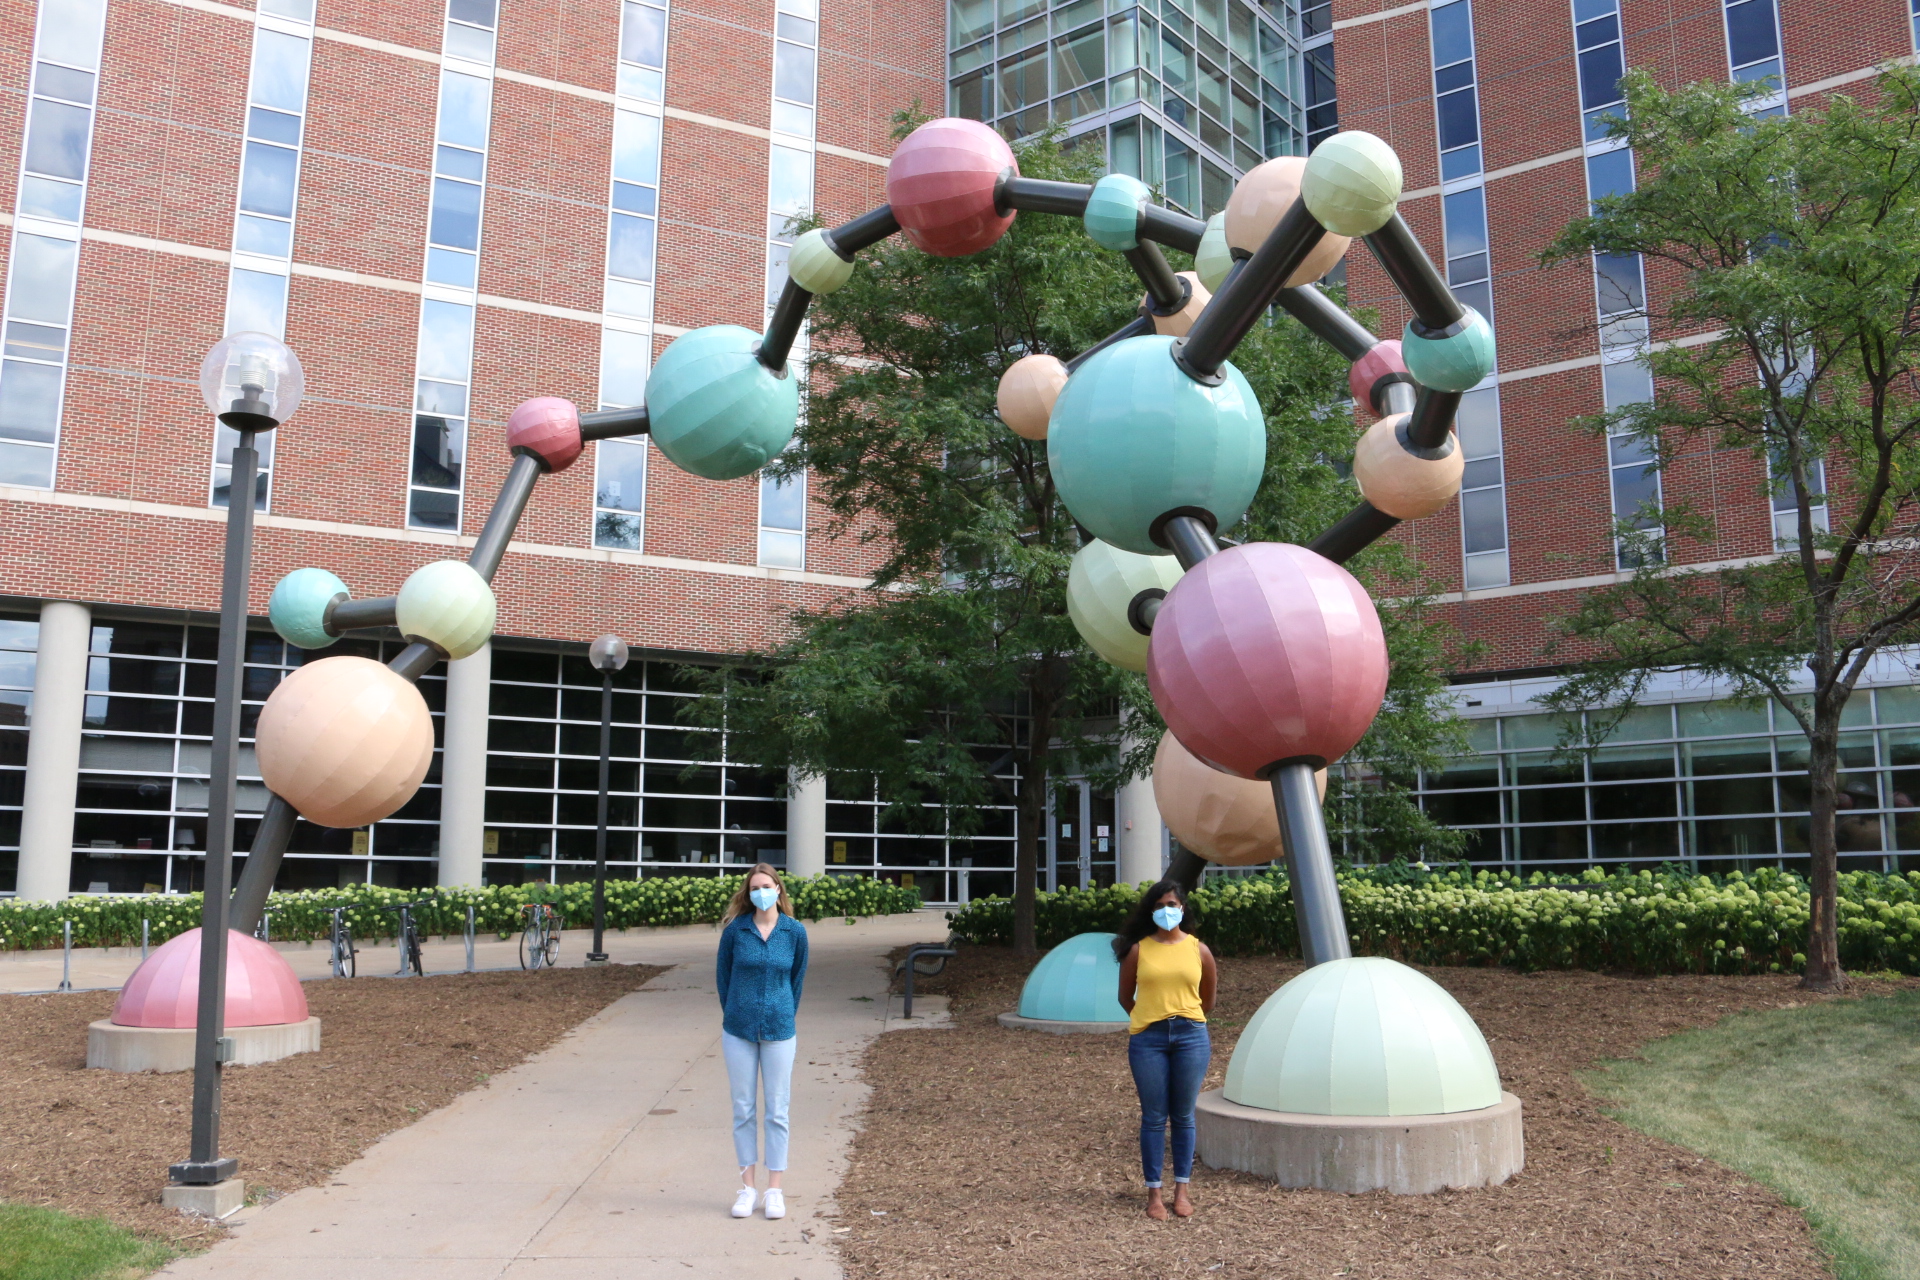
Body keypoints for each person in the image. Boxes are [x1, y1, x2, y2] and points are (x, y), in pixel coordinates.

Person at [1114, 878, 1217, 1220]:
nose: (1166, 911)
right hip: (1148, 1040)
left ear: (1183, 908)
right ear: (1151, 911)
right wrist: (1149, 1018)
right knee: (1154, 1118)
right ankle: (1154, 1194)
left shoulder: (1199, 950)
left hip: (1191, 1036)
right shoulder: (1138, 950)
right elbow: (1125, 997)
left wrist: (1183, 1018)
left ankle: (1182, 1192)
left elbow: (1208, 1000)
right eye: (1159, 906)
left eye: (1171, 905)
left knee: (1184, 1116)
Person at [715, 863, 809, 1220]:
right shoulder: (735, 931)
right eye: (755, 888)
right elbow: (723, 979)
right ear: (747, 893)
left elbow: (796, 980)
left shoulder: (794, 932)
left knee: (778, 1110)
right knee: (743, 1108)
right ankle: (747, 1188)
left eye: (766, 886)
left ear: (779, 890)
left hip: (780, 1031)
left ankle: (774, 1190)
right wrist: (738, 1011)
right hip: (738, 1030)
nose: (761, 893)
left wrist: (781, 1011)